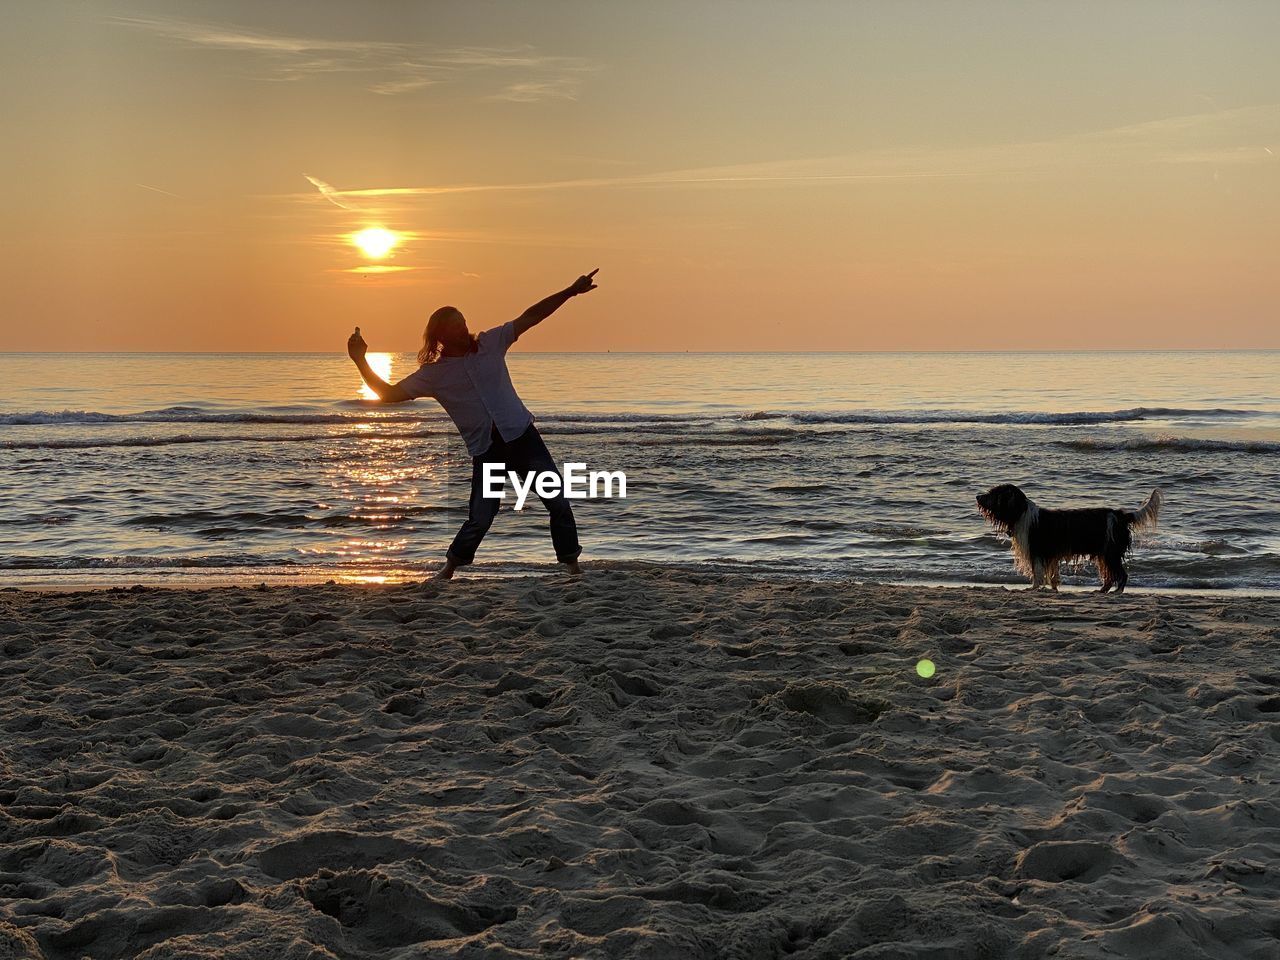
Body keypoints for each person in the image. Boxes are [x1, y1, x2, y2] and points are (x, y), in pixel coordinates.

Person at [347, 270, 599, 580]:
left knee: (557, 501)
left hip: (522, 437)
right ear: (440, 335)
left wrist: (570, 291)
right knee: (481, 517)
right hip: (488, 450)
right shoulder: (433, 375)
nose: (464, 328)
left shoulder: (491, 343)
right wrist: (360, 360)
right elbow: (388, 394)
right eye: (456, 326)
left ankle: (572, 565)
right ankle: (450, 568)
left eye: (464, 322)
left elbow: (531, 316)